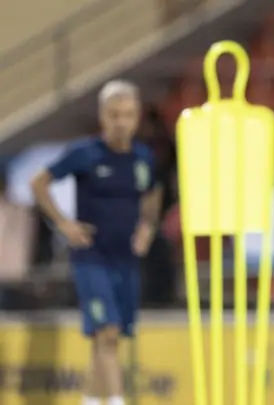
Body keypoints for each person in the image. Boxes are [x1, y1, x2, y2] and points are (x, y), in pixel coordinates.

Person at [30, 80, 162, 405]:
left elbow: (152, 192)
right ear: (103, 116)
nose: (121, 123)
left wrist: (146, 226)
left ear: (137, 117)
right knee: (108, 331)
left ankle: (90, 399)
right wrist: (63, 224)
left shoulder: (143, 157)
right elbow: (39, 183)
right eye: (114, 115)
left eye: (128, 115)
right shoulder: (84, 153)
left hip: (125, 258)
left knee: (108, 339)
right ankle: (116, 399)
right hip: (91, 257)